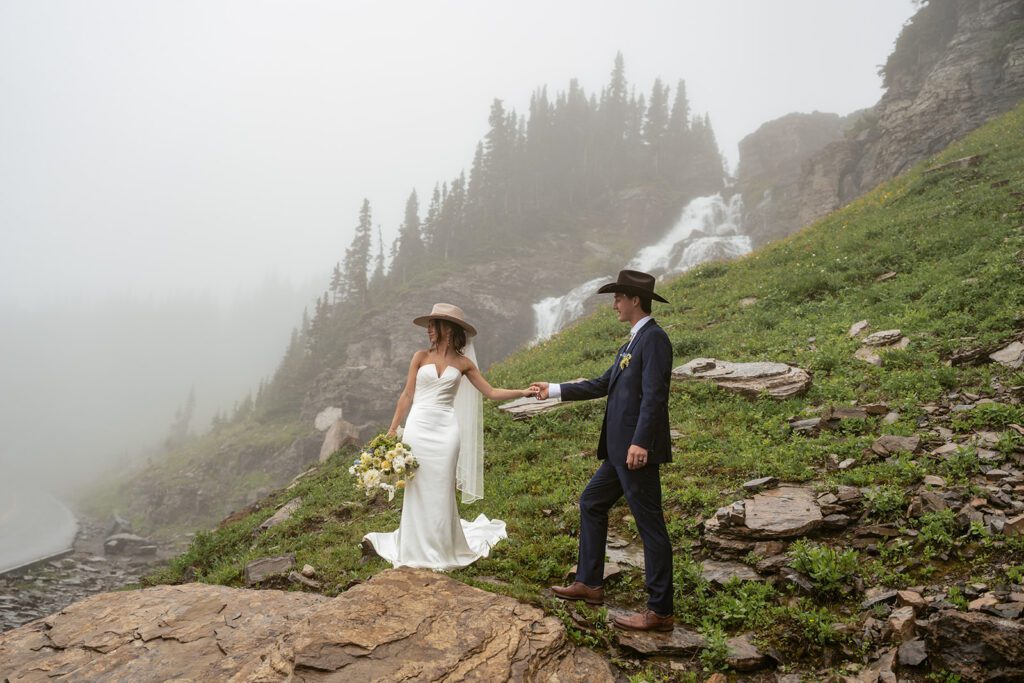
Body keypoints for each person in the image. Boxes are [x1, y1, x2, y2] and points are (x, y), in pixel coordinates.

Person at [531, 270, 675, 632]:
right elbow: (601, 384)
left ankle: (660, 610)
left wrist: (641, 441)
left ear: (634, 300)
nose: (614, 305)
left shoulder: (654, 340)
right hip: (617, 453)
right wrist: (554, 389)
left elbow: (655, 396)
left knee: (650, 526)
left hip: (635, 451)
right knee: (592, 502)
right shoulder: (630, 344)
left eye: (618, 299)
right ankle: (590, 583)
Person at [363, 303, 537, 570]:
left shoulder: (464, 363)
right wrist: (392, 430)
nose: (429, 330)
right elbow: (407, 396)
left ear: (448, 328)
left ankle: (442, 547)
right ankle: (414, 545)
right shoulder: (419, 357)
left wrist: (523, 392)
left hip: (446, 432)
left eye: (434, 325)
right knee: (418, 487)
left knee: (442, 488)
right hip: (418, 428)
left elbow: (490, 392)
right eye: (430, 326)